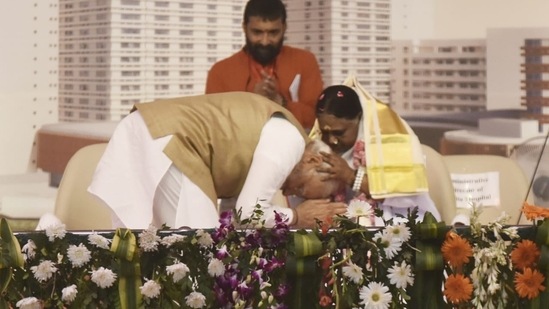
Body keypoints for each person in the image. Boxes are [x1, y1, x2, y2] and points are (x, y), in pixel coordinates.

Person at [87, 92, 347, 230]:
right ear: (313, 159)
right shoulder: (290, 140)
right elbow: (247, 214)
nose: (288, 191)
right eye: (301, 188)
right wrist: (296, 216)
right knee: (202, 254)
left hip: (151, 131)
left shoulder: (283, 135)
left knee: (161, 253)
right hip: (169, 139)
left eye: (298, 194)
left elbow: (233, 218)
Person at [311, 77, 441, 225]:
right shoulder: (323, 148)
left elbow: (405, 195)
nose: (331, 140)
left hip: (402, 226)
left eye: (339, 133)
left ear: (359, 119)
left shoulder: (388, 141)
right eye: (325, 133)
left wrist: (349, 176)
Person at [205, 0, 323, 130]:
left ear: (284, 28)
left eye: (273, 33)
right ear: (244, 27)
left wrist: (281, 103)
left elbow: (318, 119)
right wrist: (252, 102)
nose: (265, 41)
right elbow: (212, 125)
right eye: (257, 32)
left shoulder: (305, 61)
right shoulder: (220, 72)